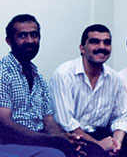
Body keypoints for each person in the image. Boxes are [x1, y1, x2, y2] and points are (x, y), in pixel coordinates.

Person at [0, 14, 83, 157]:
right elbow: (4, 124)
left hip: (37, 141)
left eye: (34, 35)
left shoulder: (39, 78)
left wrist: (64, 138)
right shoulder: (3, 73)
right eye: (22, 36)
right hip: (8, 142)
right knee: (55, 154)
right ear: (9, 41)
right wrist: (51, 140)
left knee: (83, 150)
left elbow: (49, 122)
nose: (30, 41)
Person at [49, 24, 127, 157]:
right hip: (71, 137)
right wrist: (98, 145)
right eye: (95, 42)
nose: (102, 47)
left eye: (106, 43)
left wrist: (116, 142)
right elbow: (65, 121)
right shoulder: (64, 75)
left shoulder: (115, 78)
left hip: (103, 133)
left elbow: (122, 116)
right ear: (82, 48)